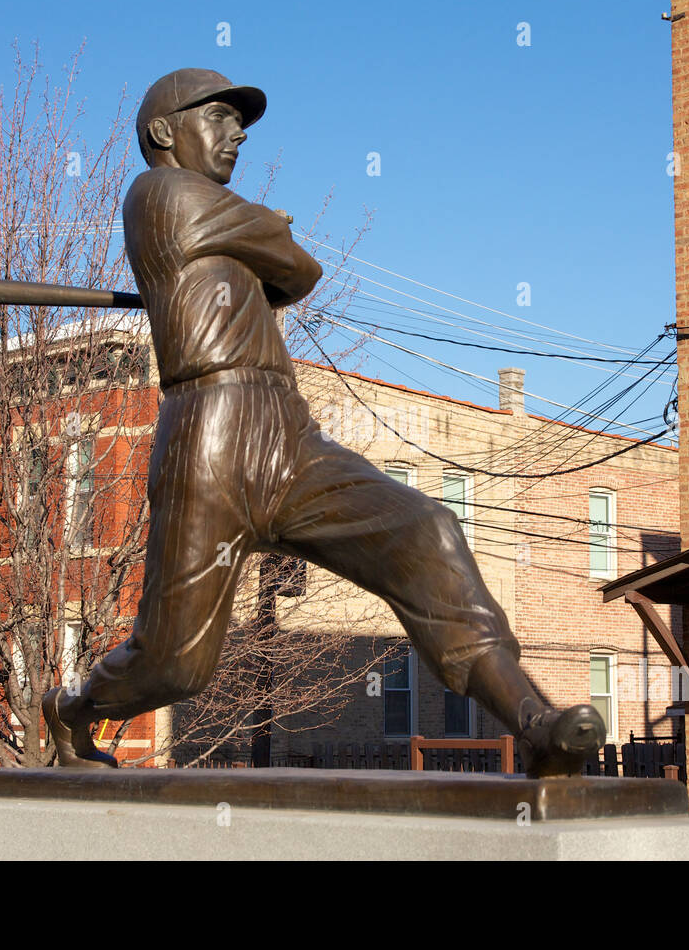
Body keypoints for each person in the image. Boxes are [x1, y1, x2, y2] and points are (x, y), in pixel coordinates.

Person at [43, 68, 605, 777]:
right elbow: (292, 257)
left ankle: (537, 724)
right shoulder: (160, 193)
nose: (237, 133)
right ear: (163, 132)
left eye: (236, 122)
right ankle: (76, 708)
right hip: (210, 436)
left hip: (286, 429)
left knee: (424, 530)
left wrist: (257, 249)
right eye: (216, 117)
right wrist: (265, 234)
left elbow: (299, 271)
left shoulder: (215, 228)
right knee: (176, 666)